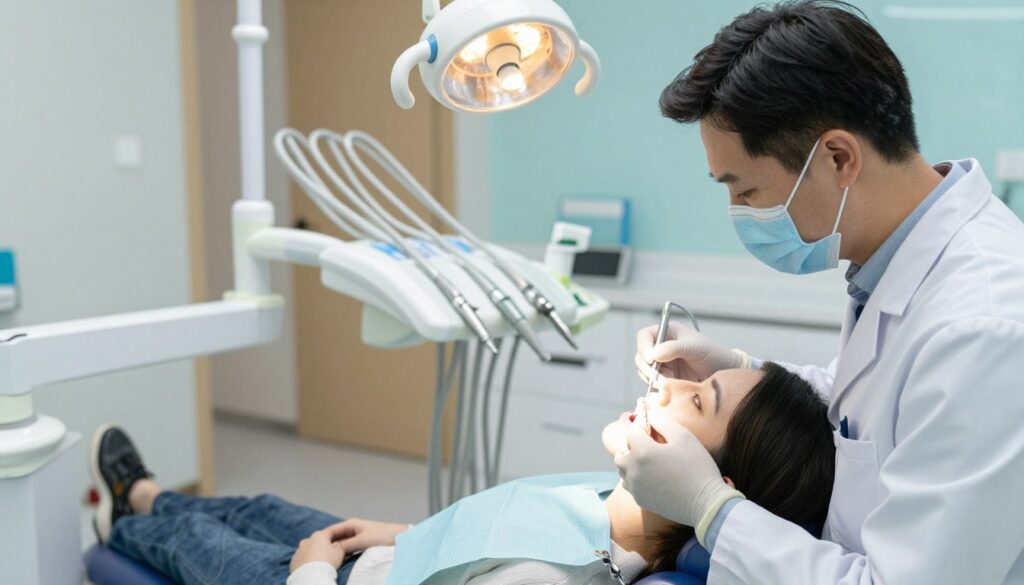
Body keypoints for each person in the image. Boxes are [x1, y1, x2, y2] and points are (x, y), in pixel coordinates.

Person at [616, 1, 1024, 583]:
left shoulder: (986, 326)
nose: (739, 213)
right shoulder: (893, 262)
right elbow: (873, 407)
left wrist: (712, 511)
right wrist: (735, 366)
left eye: (747, 190)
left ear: (838, 157)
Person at [89, 363, 833, 585]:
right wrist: (406, 530)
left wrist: (311, 572)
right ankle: (150, 491)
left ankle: (126, 514)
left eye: (697, 399)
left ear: (712, 484)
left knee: (202, 547)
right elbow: (493, 532)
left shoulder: (555, 578)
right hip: (399, 553)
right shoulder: (615, 501)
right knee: (260, 502)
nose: (666, 384)